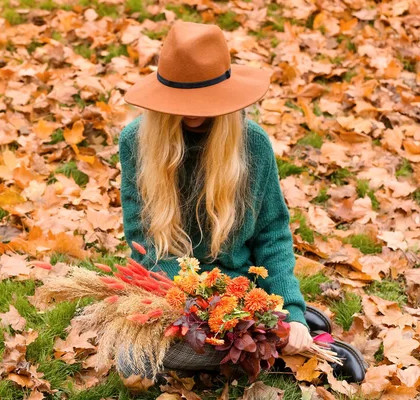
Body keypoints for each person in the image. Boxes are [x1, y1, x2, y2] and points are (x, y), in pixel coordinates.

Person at [117, 21, 367, 383]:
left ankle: (292, 331)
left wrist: (289, 310)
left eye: (202, 98)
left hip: (237, 285)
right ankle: (272, 340)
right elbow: (142, 238)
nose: (193, 110)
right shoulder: (135, 141)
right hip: (167, 289)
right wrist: (195, 303)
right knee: (134, 363)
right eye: (182, 99)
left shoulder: (252, 143)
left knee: (223, 338)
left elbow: (272, 234)